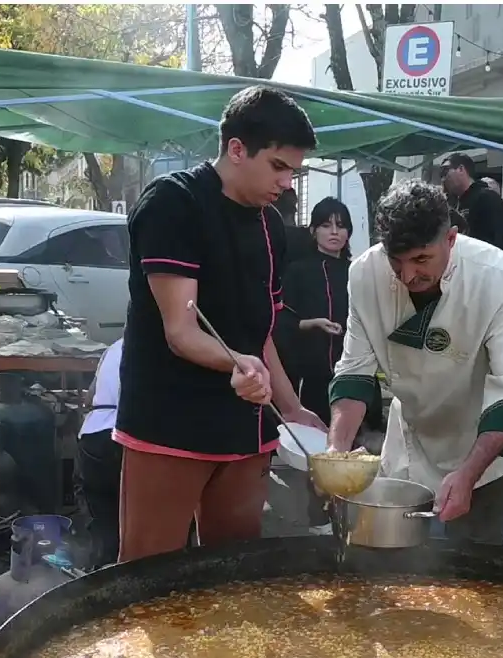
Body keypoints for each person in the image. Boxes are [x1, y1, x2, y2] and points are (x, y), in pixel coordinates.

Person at [114, 86, 324, 562]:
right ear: (235, 149)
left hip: (247, 424)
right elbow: (181, 329)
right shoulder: (175, 203)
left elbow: (262, 330)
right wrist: (236, 363)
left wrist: (291, 408)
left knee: (233, 570)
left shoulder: (271, 227)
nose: (288, 182)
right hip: (170, 421)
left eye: (294, 170)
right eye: (278, 166)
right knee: (148, 571)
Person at [326, 181, 503, 543]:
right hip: (410, 441)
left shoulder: (498, 280)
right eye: (396, 261)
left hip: (480, 448)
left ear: (450, 239)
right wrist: (336, 451)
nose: (408, 276)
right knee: (393, 561)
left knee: (471, 570)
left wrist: (468, 474)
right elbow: (354, 373)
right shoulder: (364, 275)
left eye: (421, 259)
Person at [274, 197, 384, 534]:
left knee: (361, 447)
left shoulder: (360, 271)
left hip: (359, 373)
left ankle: (361, 516)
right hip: (315, 372)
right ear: (313, 230)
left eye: (341, 225)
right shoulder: (297, 271)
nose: (334, 232)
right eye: (326, 225)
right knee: (324, 448)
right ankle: (320, 518)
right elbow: (279, 321)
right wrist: (312, 324)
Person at [75, 338, 124, 567]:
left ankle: (101, 570)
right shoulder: (170, 346)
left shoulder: (113, 348)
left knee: (101, 516)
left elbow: (88, 398)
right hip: (135, 437)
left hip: (95, 435)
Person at [441, 153, 503, 254]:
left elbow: (495, 242)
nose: (443, 178)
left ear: (461, 169)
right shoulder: (458, 201)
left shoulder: (486, 197)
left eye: (445, 171)